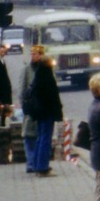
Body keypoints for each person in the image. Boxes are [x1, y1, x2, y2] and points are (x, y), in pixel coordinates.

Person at [25, 46, 65, 176]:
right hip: (47, 112)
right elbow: (53, 97)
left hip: (39, 112)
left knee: (40, 138)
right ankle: (43, 167)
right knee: (45, 139)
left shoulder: (38, 75)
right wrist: (58, 112)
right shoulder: (47, 77)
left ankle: (37, 164)